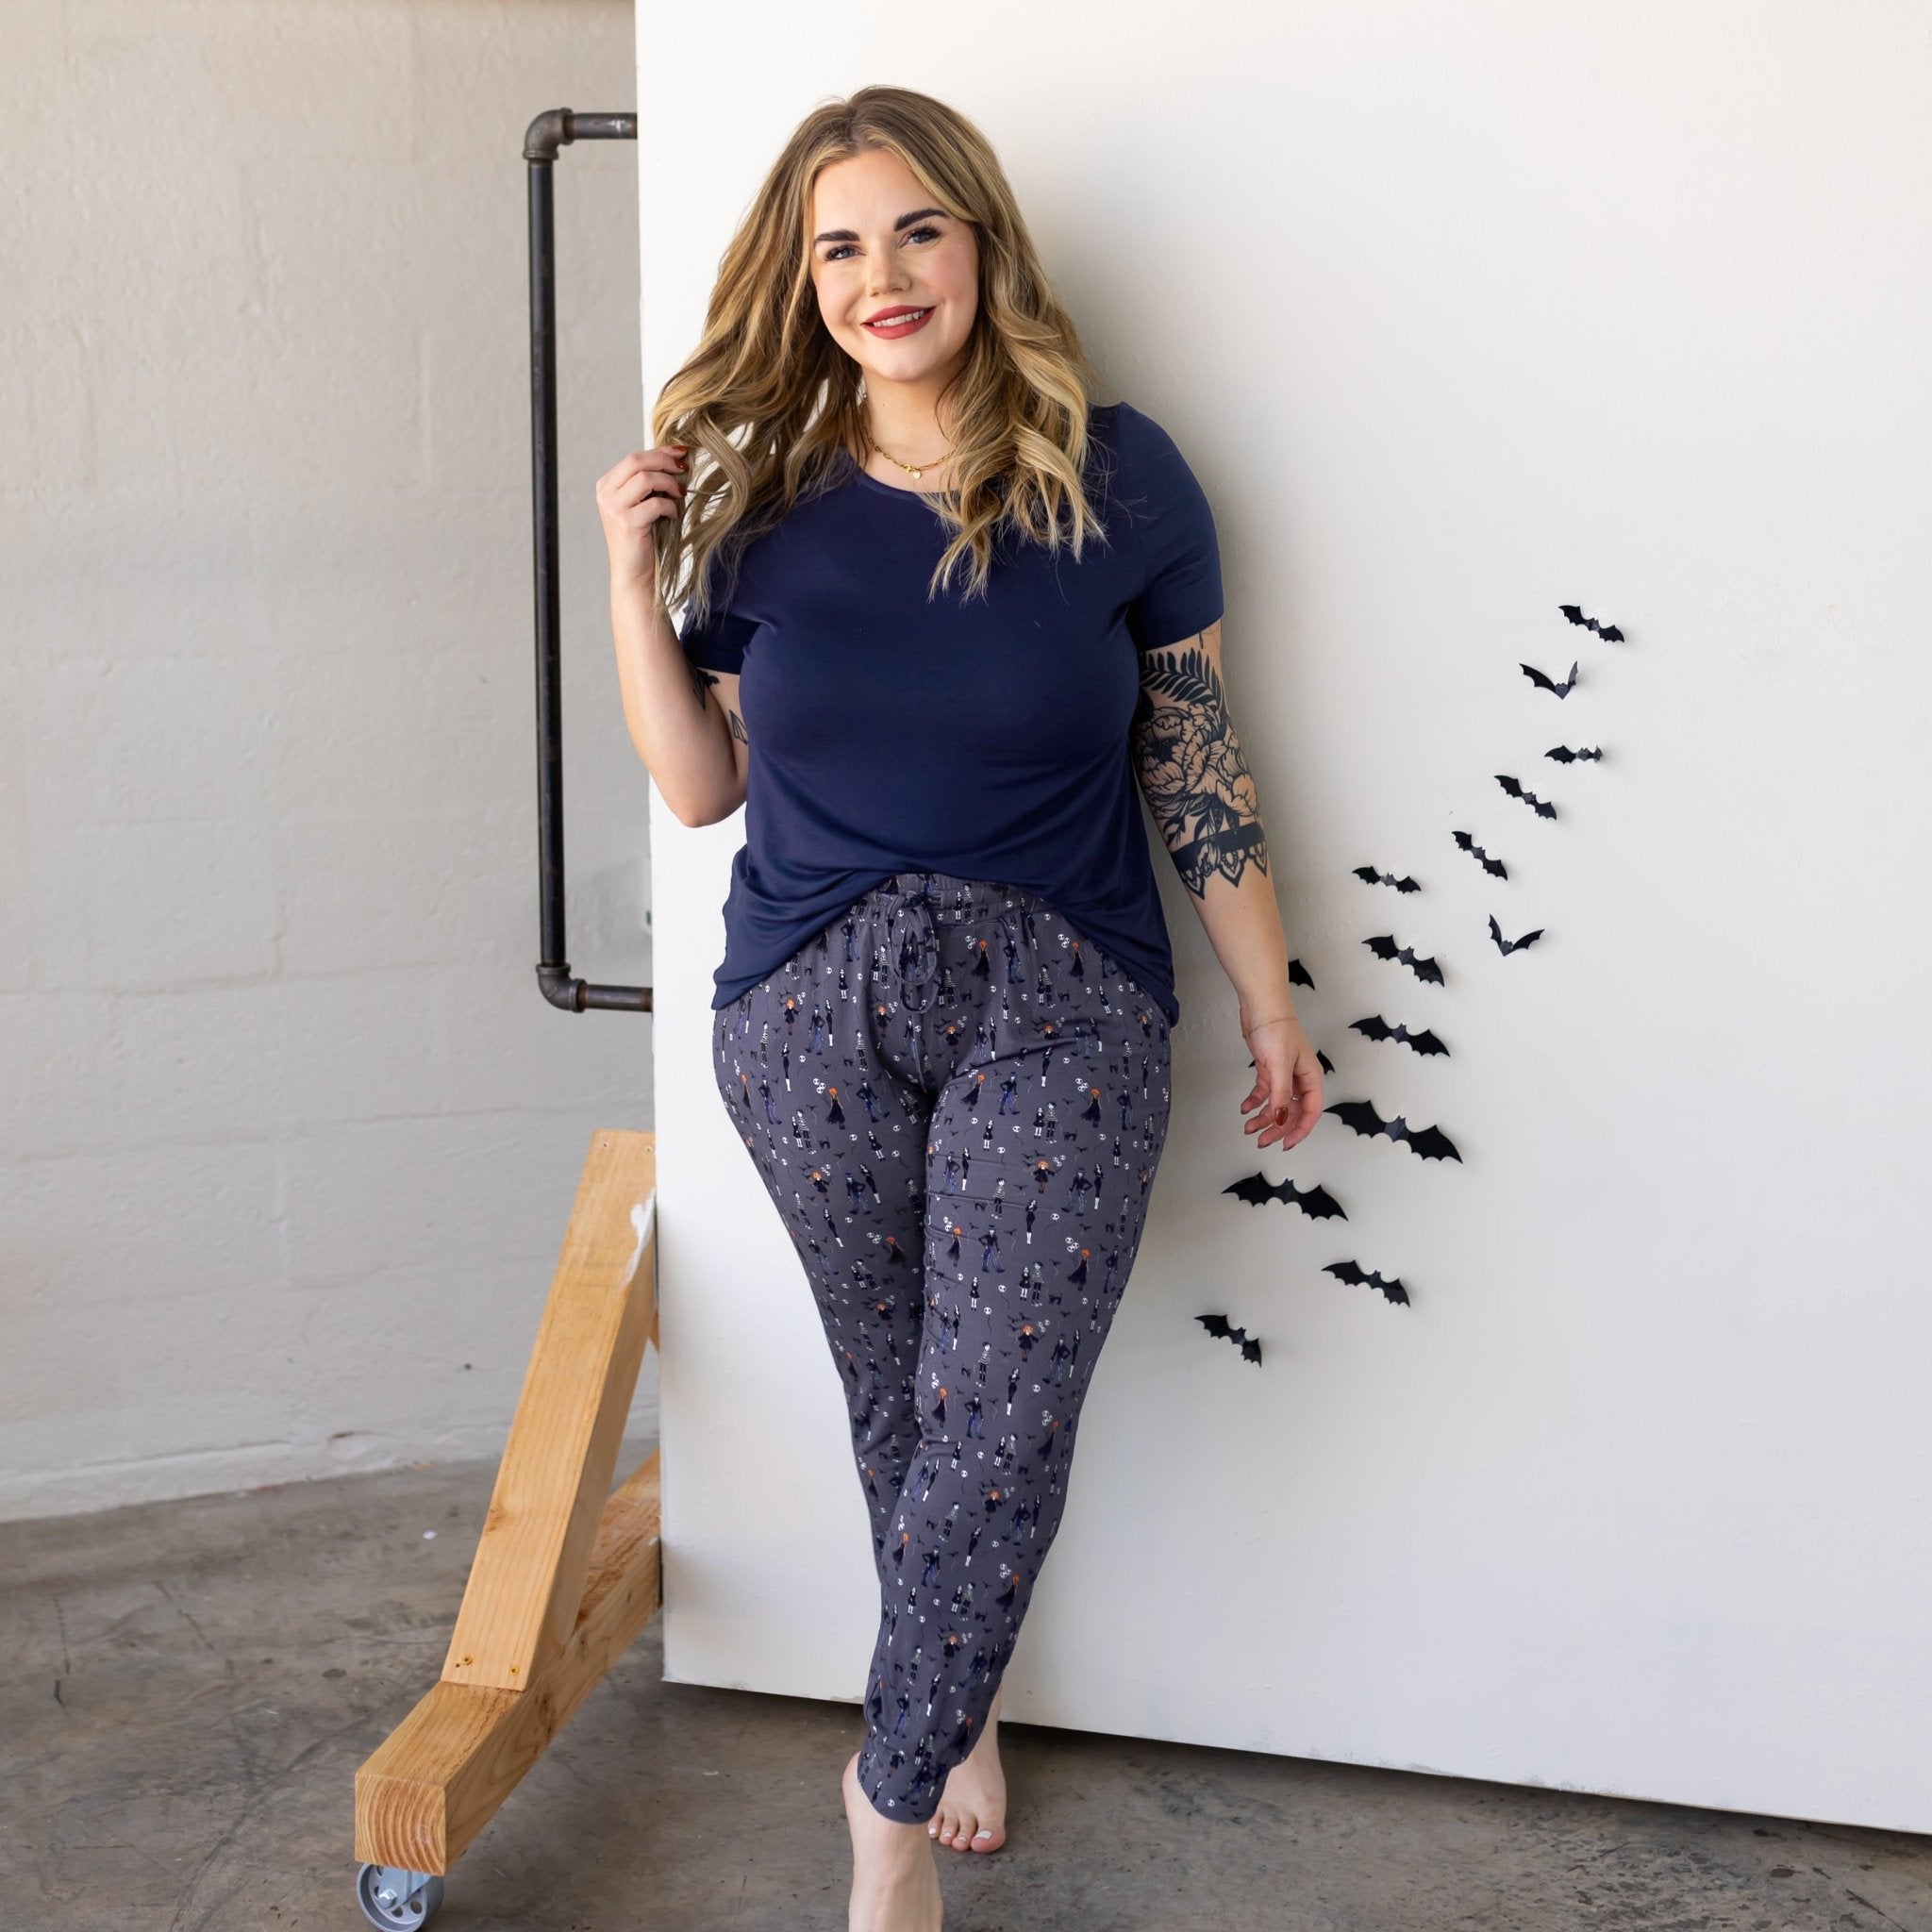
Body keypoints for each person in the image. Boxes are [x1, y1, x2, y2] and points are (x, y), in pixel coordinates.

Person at [596, 83, 1322, 1932]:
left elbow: (1196, 758)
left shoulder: (1119, 473)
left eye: (918, 228)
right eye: (839, 246)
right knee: (900, 1400)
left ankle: (888, 1799)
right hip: (806, 1005)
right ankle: (958, 1707)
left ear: (982, 242)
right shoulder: (759, 498)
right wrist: (627, 578)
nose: (882, 275)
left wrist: (1266, 1002)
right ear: (803, 280)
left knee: (997, 1418)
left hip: (1064, 997)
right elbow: (700, 788)